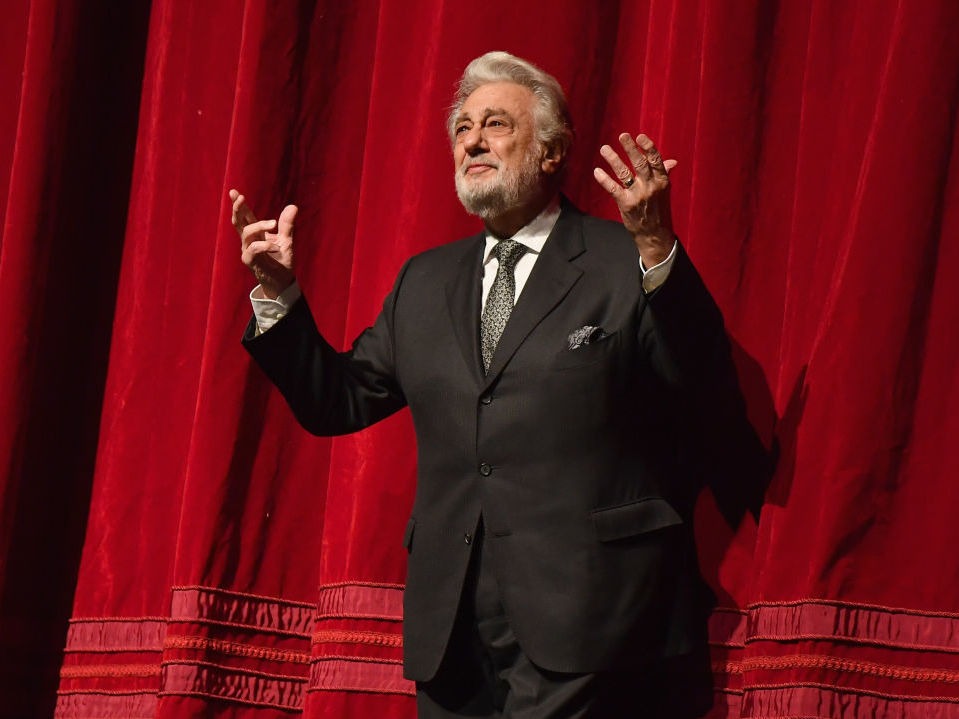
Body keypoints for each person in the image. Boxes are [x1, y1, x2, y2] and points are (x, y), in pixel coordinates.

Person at [231, 51, 766, 719]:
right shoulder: (423, 283)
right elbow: (337, 399)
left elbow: (700, 378)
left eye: (494, 124)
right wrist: (279, 296)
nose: (472, 140)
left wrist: (657, 248)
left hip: (595, 617)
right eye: (461, 127)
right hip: (453, 626)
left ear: (549, 153)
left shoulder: (623, 258)